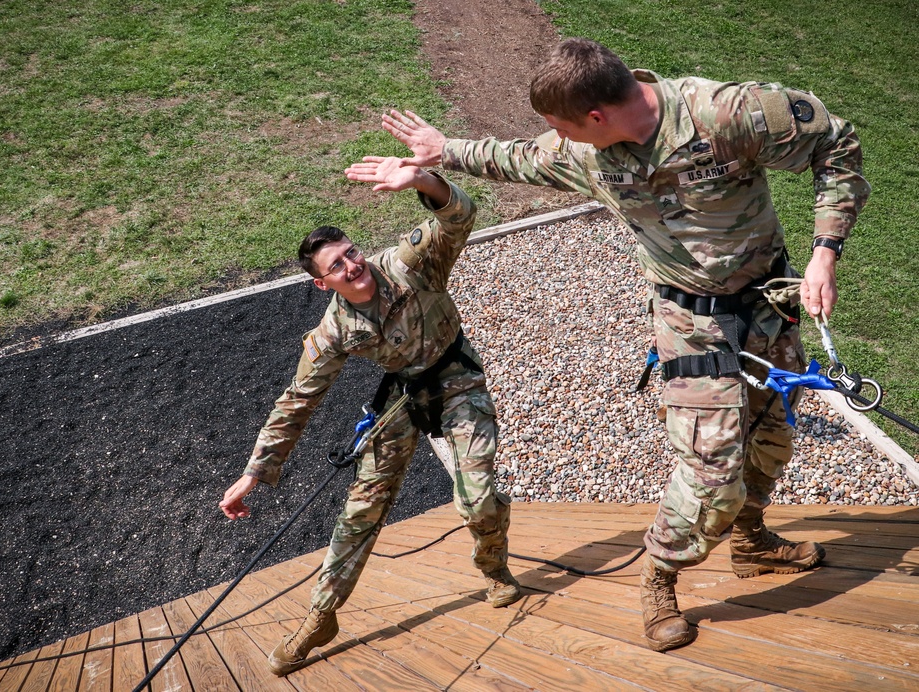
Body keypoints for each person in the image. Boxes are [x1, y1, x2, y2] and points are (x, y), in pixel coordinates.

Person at [381, 37, 870, 652]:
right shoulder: (587, 152)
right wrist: (441, 152)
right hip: (690, 321)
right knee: (712, 470)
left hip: (770, 308)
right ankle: (660, 576)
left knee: (770, 438)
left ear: (597, 116)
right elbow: (517, 158)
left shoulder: (727, 113)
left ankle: (750, 541)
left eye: (564, 128)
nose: (559, 141)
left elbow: (836, 143)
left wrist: (825, 252)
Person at [219, 156, 521, 676]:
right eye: (335, 266)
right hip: (403, 396)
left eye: (350, 253)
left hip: (455, 379)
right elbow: (297, 401)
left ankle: (493, 567)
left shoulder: (407, 264)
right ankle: (322, 614)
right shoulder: (331, 333)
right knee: (360, 509)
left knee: (476, 496)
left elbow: (460, 215)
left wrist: (424, 180)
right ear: (322, 283)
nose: (351, 266)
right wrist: (255, 472)